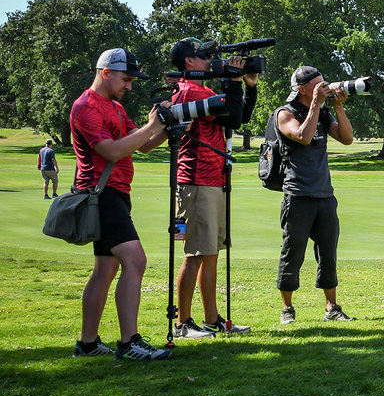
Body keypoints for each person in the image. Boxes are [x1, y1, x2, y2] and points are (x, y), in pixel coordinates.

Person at [70, 48, 171, 360]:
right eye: (126, 79)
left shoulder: (114, 106)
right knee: (135, 261)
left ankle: (87, 344)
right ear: (105, 73)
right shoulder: (86, 106)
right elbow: (112, 151)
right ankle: (129, 343)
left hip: (116, 193)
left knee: (106, 268)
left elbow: (143, 145)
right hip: (101, 194)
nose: (129, 86)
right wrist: (152, 125)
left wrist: (169, 125)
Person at [168, 38, 258, 339]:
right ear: (188, 63)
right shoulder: (190, 90)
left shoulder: (200, 89)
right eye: (202, 55)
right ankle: (182, 324)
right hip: (195, 182)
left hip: (211, 180)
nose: (209, 59)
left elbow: (238, 117)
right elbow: (232, 115)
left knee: (211, 252)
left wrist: (249, 86)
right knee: (194, 253)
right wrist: (233, 81)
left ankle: (210, 319)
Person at [276, 65, 355, 324]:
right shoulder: (285, 114)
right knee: (293, 251)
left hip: (324, 195)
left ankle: (332, 307)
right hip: (298, 195)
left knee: (328, 253)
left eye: (325, 83)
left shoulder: (322, 112)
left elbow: (347, 139)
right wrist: (316, 105)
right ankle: (287, 309)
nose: (324, 87)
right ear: (301, 89)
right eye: (317, 84)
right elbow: (303, 136)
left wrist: (338, 107)